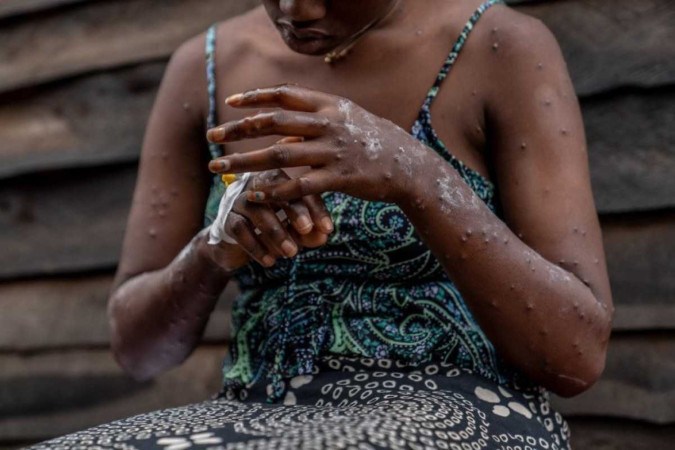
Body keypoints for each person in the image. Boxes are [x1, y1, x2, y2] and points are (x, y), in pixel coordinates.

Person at [33, 0, 613, 448]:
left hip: (459, 407)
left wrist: (415, 175)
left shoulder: (501, 47)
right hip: (253, 416)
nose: (298, 10)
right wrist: (213, 250)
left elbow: (576, 355)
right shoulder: (202, 68)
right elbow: (137, 350)